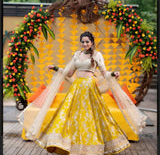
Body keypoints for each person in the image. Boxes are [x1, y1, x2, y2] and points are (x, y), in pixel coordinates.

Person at [18, 31, 146, 155]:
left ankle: (92, 147)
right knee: (70, 116)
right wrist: (55, 68)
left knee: (93, 117)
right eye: (83, 42)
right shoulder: (77, 55)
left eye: (87, 42)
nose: (85, 44)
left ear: (92, 42)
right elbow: (69, 73)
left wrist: (113, 74)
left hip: (90, 88)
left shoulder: (96, 55)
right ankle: (71, 146)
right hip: (77, 88)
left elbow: (104, 73)